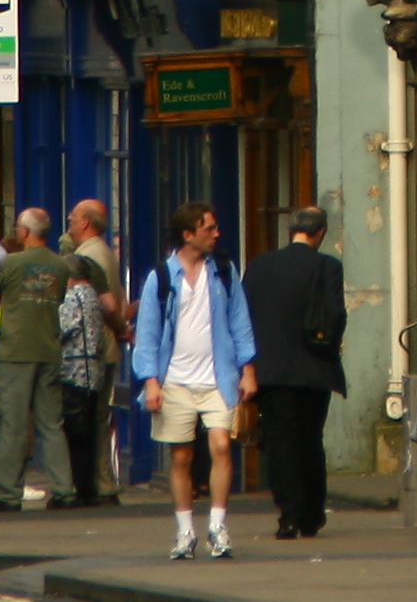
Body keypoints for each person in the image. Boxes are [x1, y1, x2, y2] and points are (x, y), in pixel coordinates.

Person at [131, 204, 258, 559]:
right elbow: (148, 334)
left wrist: (248, 369)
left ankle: (217, 526)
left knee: (221, 446)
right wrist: (151, 381)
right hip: (175, 381)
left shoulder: (224, 271)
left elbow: (240, 321)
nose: (217, 234)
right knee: (182, 456)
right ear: (188, 234)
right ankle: (185, 531)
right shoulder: (161, 276)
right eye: (209, 229)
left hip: (219, 377)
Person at [243, 207, 349, 540]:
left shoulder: (260, 266)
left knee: (280, 442)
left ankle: (288, 515)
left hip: (271, 369)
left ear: (292, 231)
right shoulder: (327, 266)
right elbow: (335, 315)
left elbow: (243, 316)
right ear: (320, 233)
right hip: (313, 367)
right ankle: (311, 514)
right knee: (310, 440)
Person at [0, 209, 80, 512]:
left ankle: (7, 494)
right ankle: (64, 489)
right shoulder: (60, 266)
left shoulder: (11, 263)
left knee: (12, 425)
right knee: (51, 424)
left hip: (16, 352)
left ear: (25, 232)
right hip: (49, 350)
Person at [62, 204, 128, 506]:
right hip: (105, 346)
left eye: (73, 219)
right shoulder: (106, 251)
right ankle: (101, 482)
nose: (69, 223)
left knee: (91, 421)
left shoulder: (88, 257)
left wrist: (119, 326)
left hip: (90, 352)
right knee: (98, 418)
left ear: (86, 222)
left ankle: (99, 484)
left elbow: (108, 304)